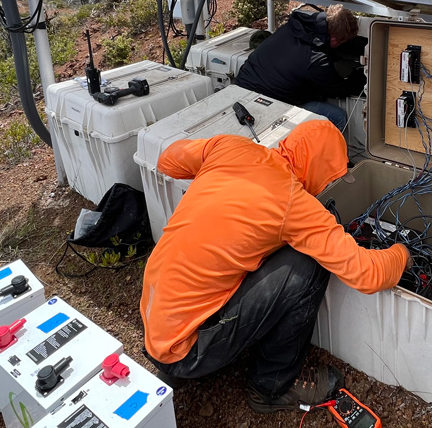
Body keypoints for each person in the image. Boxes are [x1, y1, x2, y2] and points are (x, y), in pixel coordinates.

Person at [140, 119, 409, 413]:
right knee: (309, 264)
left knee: (260, 250)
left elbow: (168, 160)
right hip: (188, 350)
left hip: (153, 316)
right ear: (319, 168)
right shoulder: (294, 204)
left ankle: (176, 353)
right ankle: (271, 386)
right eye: (330, 178)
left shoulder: (230, 146)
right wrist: (403, 253)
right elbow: (368, 275)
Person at [235, 5, 365, 130]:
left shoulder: (294, 27)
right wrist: (360, 76)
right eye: (343, 41)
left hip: (241, 87)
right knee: (338, 117)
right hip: (269, 104)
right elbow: (337, 90)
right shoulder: (316, 59)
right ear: (335, 40)